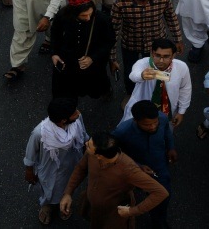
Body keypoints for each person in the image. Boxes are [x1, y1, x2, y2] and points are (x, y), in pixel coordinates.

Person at [58, 131, 168, 227]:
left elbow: (161, 192)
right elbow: (81, 169)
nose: (86, 144)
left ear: (99, 156)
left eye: (89, 145)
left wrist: (132, 211)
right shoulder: (91, 154)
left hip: (113, 215)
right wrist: (68, 193)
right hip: (92, 205)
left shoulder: (129, 169)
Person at [112, 101, 175, 229]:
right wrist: (137, 165)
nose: (152, 127)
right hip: (135, 171)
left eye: (154, 122)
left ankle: (159, 222)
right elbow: (115, 151)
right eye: (147, 125)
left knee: (163, 197)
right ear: (135, 120)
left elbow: (167, 132)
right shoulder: (122, 131)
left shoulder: (162, 118)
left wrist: (171, 148)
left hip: (159, 166)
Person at [24, 98, 85, 226]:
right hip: (50, 171)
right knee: (50, 190)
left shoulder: (77, 120)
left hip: (72, 165)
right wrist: (29, 172)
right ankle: (47, 206)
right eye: (74, 112)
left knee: (70, 185)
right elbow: (30, 154)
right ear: (63, 120)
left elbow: (84, 136)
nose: (78, 113)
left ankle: (65, 203)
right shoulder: (40, 133)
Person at [50, 0, 115, 100]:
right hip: (69, 57)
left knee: (98, 83)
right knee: (64, 90)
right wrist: (54, 53)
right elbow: (55, 34)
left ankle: (106, 91)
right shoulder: (62, 15)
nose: (88, 18)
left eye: (90, 13)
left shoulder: (102, 19)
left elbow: (109, 41)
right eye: (83, 15)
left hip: (94, 57)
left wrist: (92, 58)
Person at [122, 37, 190, 124]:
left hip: (167, 111)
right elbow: (133, 76)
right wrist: (141, 75)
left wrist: (181, 112)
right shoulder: (142, 63)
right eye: (158, 55)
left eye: (166, 56)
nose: (161, 60)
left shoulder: (182, 67)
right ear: (152, 54)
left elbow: (185, 89)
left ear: (173, 55)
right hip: (142, 111)